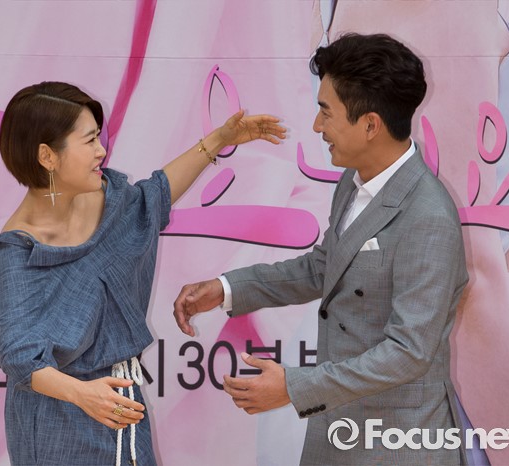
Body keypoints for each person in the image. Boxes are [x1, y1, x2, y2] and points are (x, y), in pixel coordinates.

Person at [173, 33, 469, 465]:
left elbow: (408, 353)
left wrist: (295, 388)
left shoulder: (429, 215)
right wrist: (227, 288)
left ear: (370, 125)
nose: (316, 126)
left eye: (326, 112)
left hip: (399, 445)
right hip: (338, 432)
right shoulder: (352, 181)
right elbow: (324, 268)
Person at [0, 81, 285, 465]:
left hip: (121, 403)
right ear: (48, 156)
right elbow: (19, 356)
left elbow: (154, 196)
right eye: (89, 141)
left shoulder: (107, 198)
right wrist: (84, 394)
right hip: (56, 420)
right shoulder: (21, 248)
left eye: (99, 138)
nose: (101, 151)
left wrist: (220, 139)